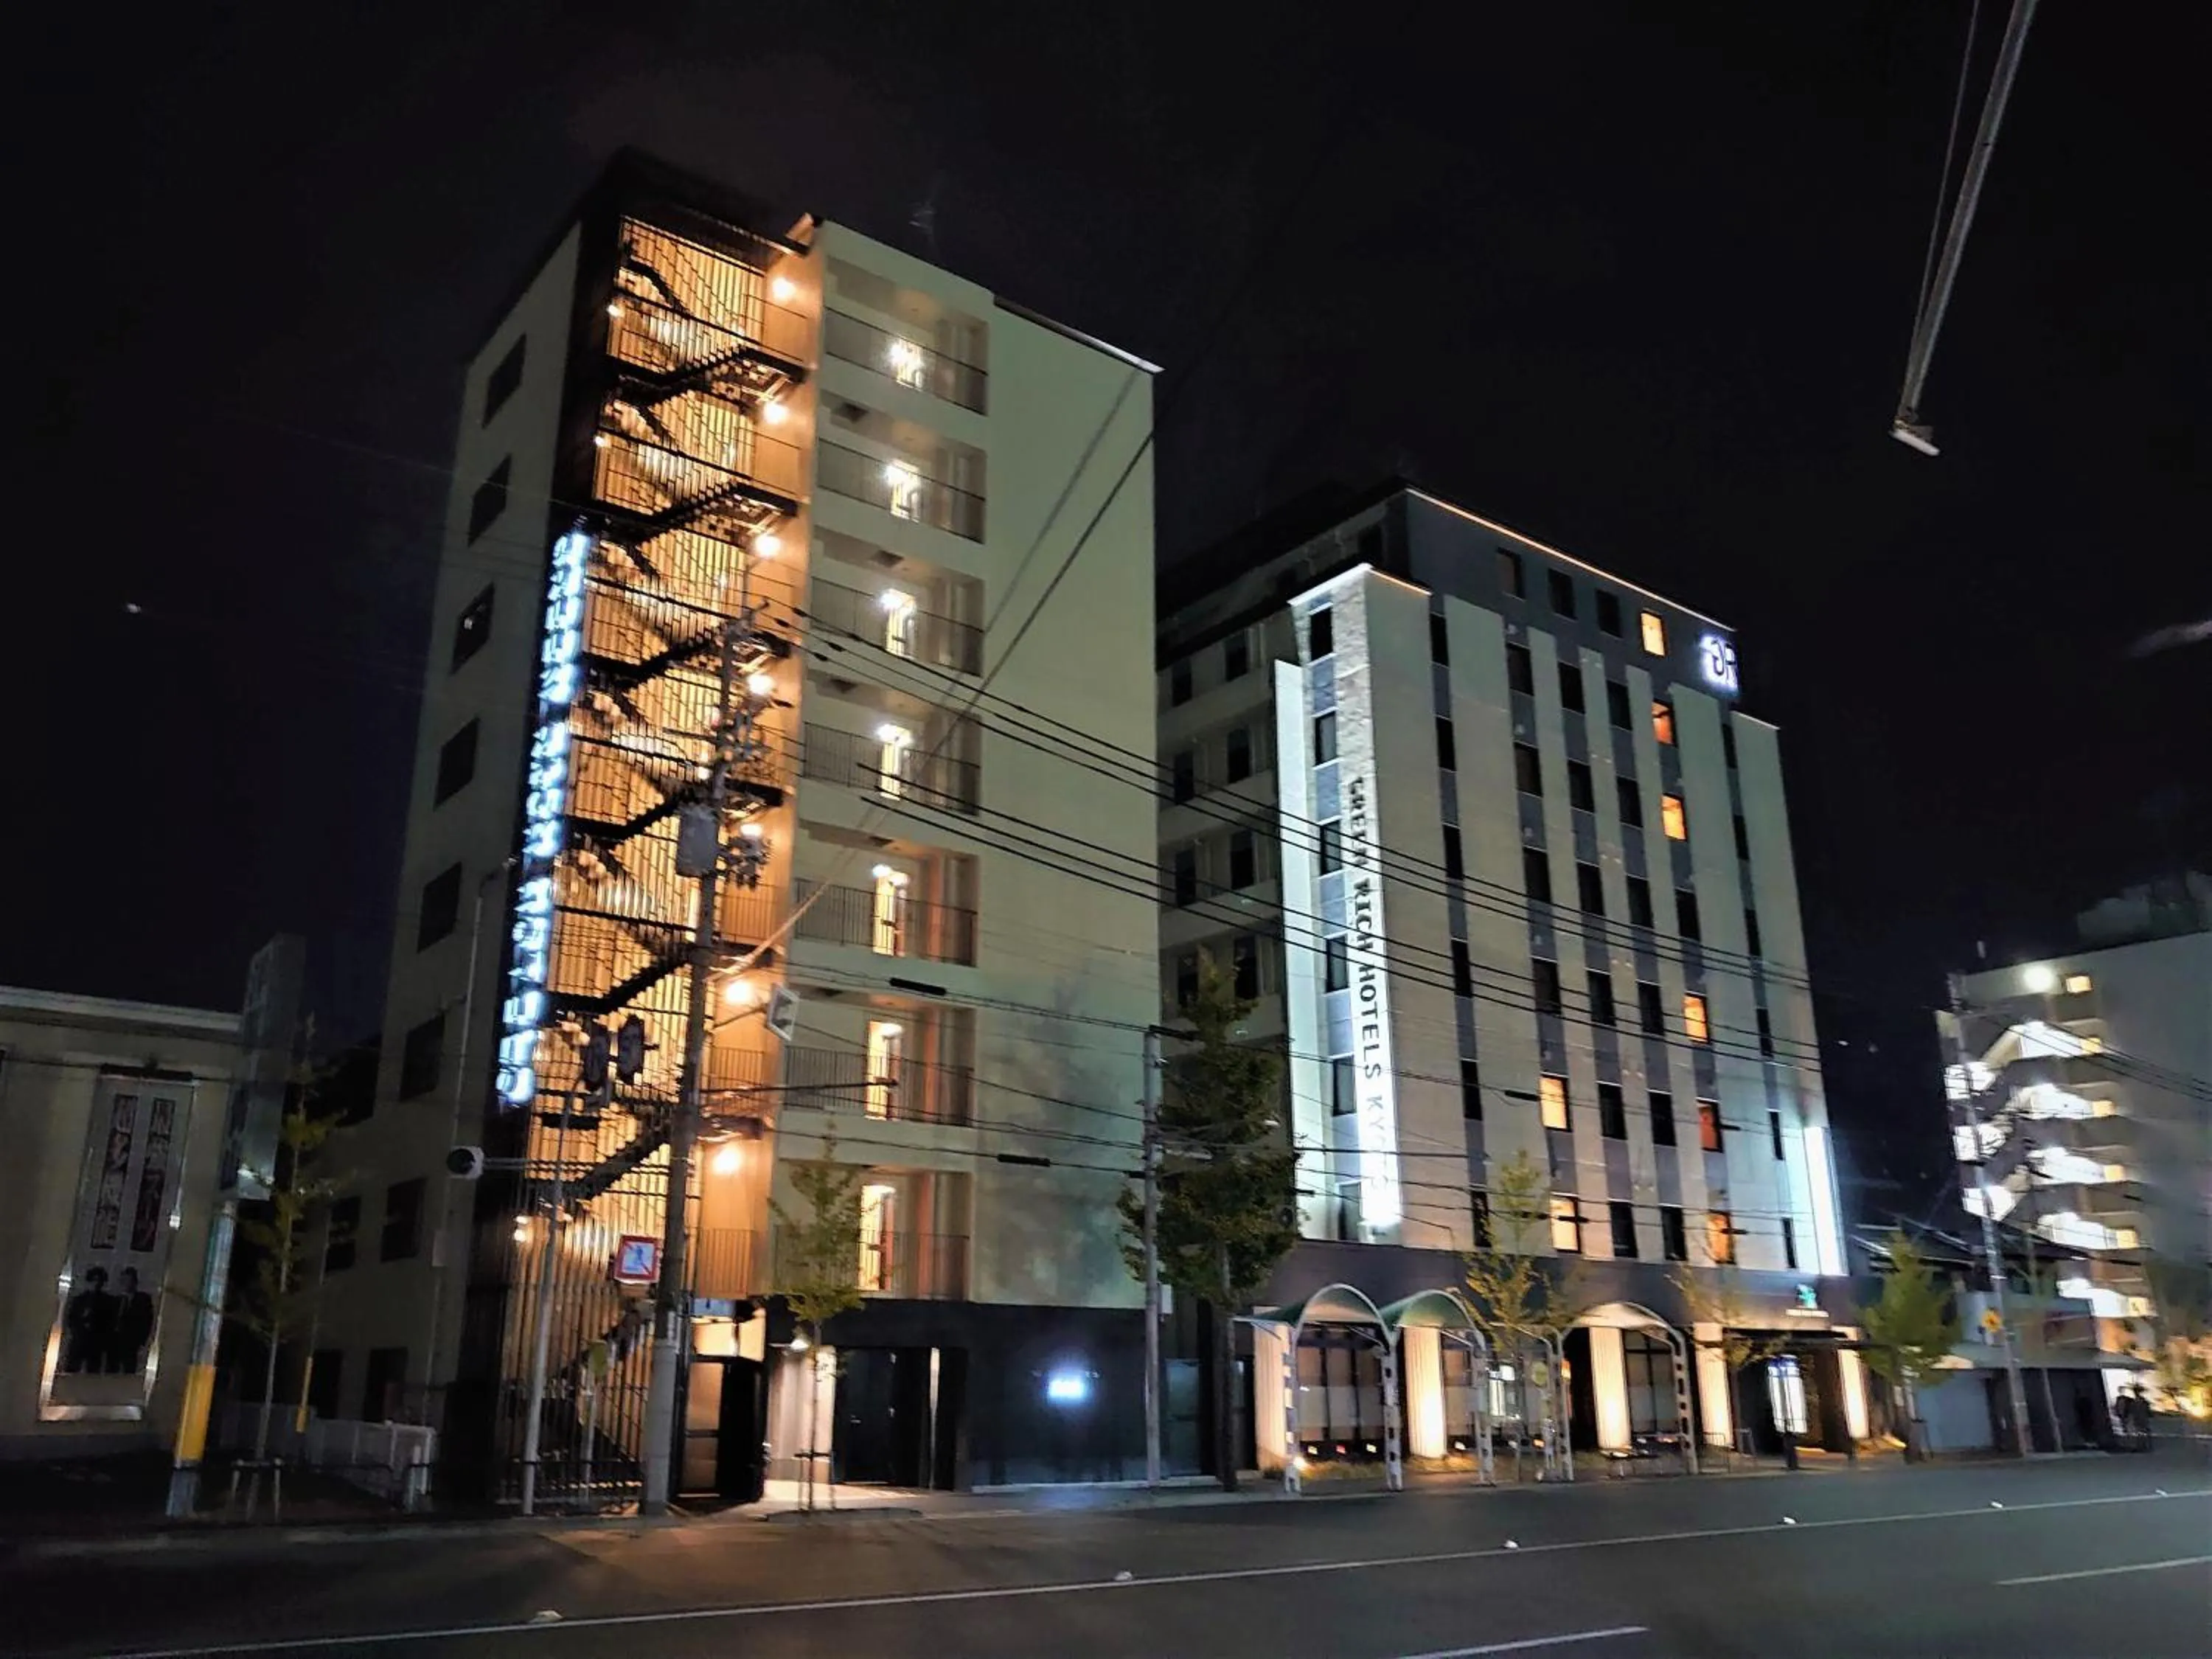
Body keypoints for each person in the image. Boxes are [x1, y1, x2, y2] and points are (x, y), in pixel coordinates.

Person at [62, 1267, 117, 1373]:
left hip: (96, 1342)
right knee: (72, 1368)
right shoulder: (79, 1300)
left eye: (99, 1281)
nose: (96, 1284)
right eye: (94, 1280)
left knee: (93, 1370)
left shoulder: (108, 1301)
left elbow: (110, 1322)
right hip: (79, 1339)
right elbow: (71, 1319)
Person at [111, 1267, 156, 1374]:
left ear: (134, 1282)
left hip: (131, 1340)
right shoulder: (115, 1300)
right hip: (114, 1341)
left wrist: (142, 1340)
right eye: (124, 1281)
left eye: (129, 1281)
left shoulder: (143, 1299)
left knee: (129, 1368)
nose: (126, 1284)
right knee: (112, 1369)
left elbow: (147, 1320)